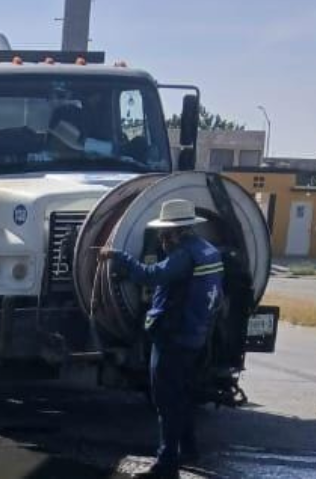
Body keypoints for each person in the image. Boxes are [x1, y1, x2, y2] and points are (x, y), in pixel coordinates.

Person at [101, 198, 224, 478]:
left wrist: (119, 258)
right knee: (183, 395)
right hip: (196, 335)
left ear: (174, 232)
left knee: (166, 400)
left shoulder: (183, 256)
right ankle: (189, 448)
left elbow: (150, 275)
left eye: (163, 233)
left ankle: (166, 464)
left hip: (173, 337)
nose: (161, 238)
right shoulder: (208, 250)